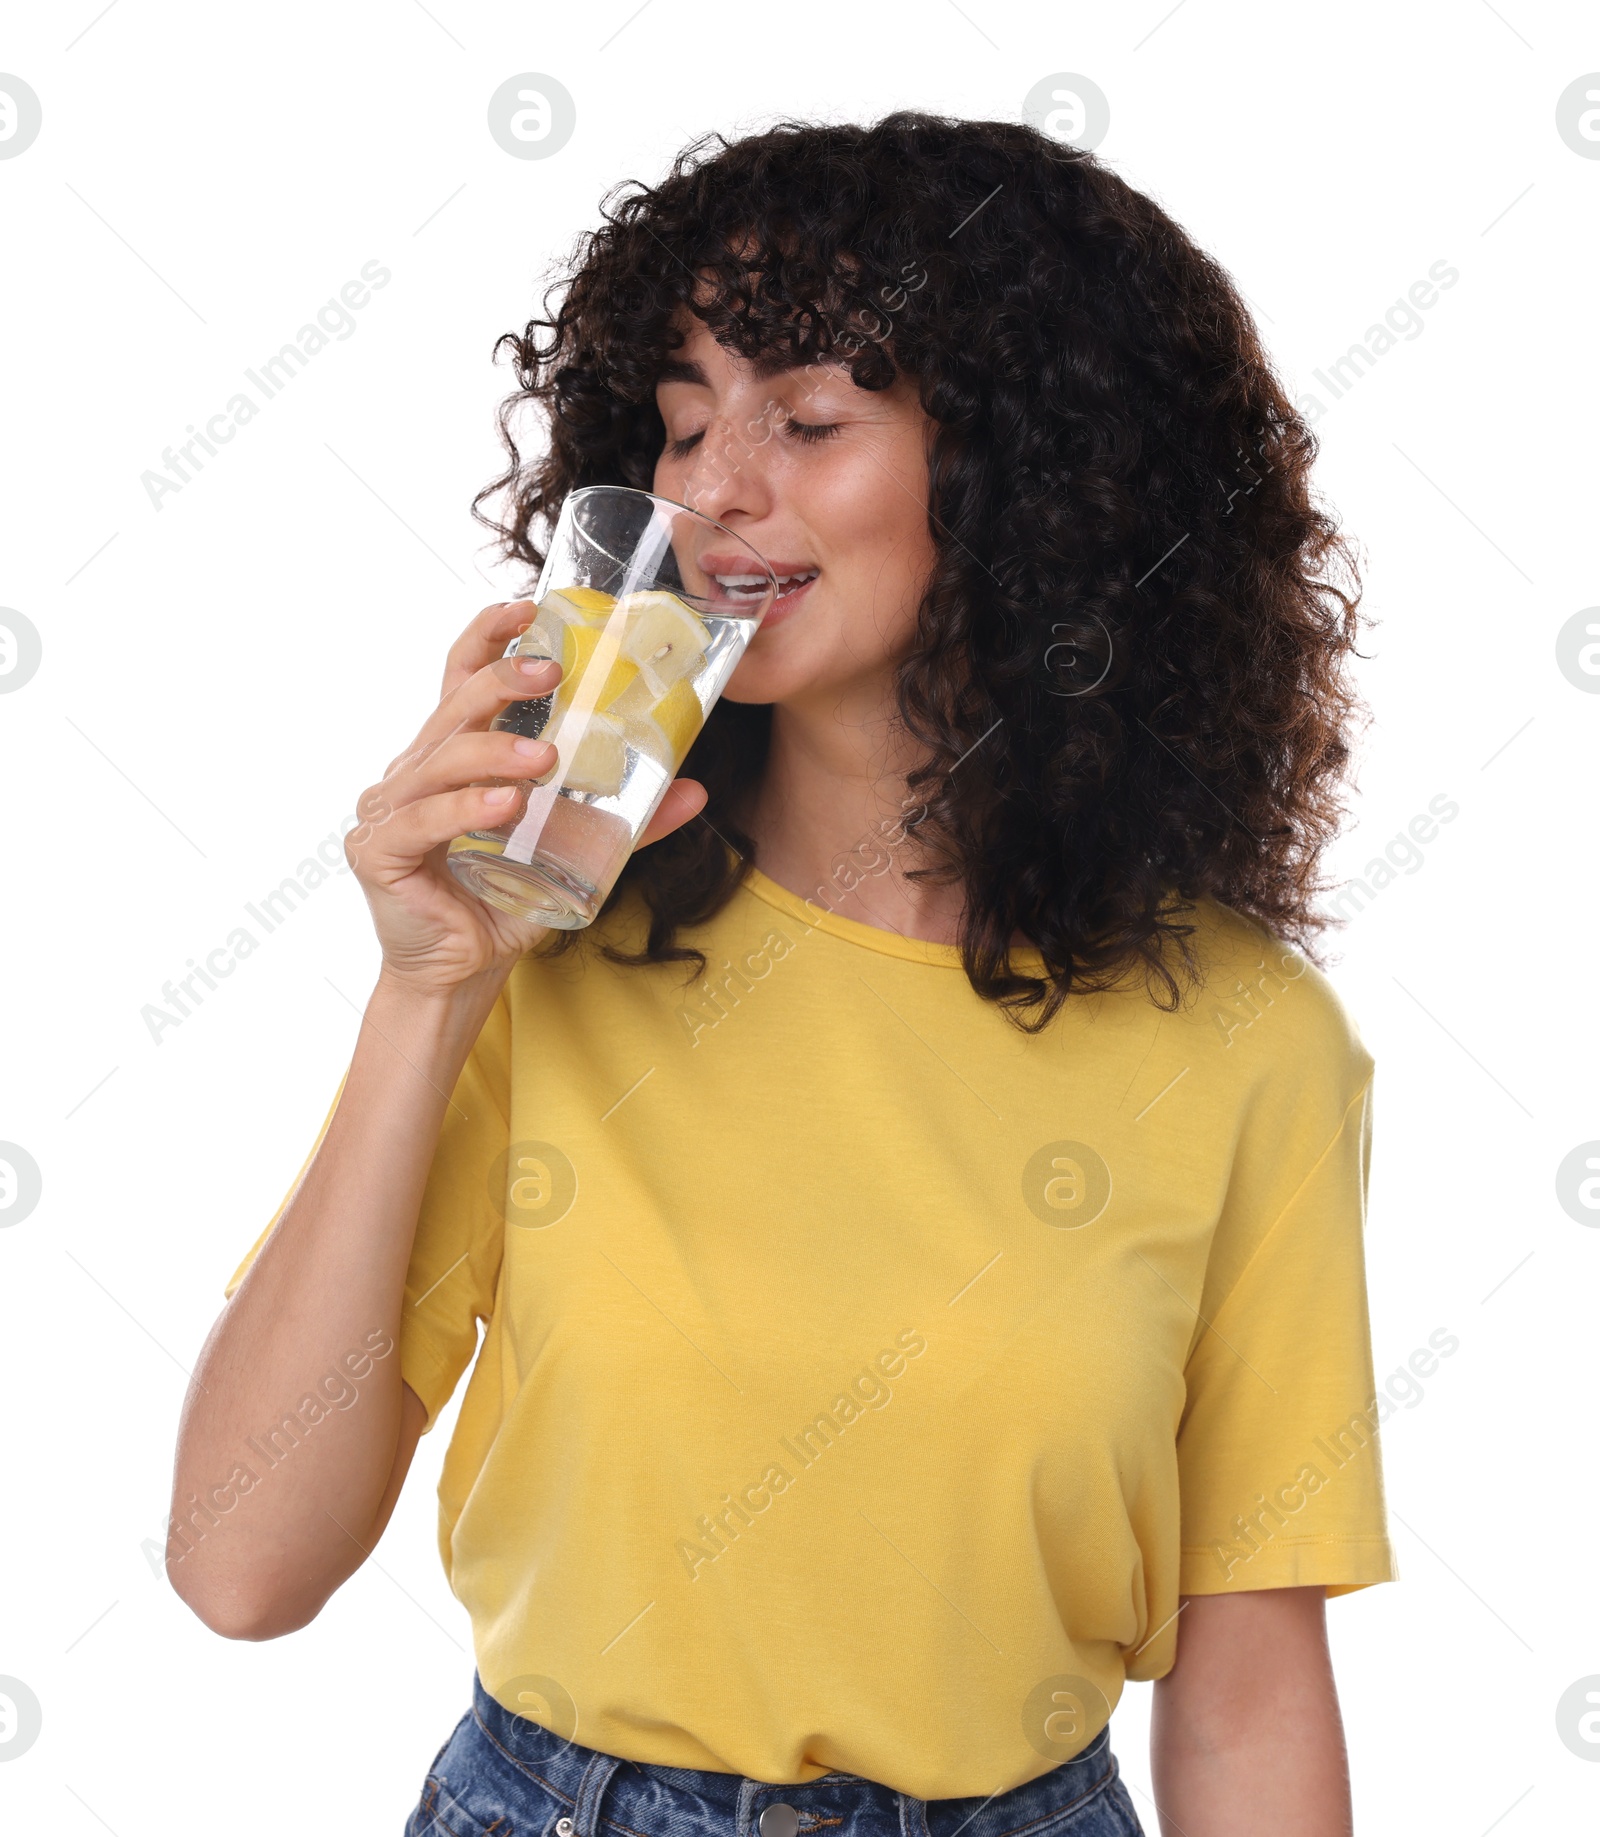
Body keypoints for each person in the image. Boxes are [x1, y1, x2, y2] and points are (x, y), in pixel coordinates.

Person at [169, 113, 1395, 1836]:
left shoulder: (1253, 1046)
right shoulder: (546, 945)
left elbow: (1252, 1684)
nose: (711, 489)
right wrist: (427, 990)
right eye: (679, 424)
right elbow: (240, 1564)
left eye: (807, 420)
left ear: (1035, 477)